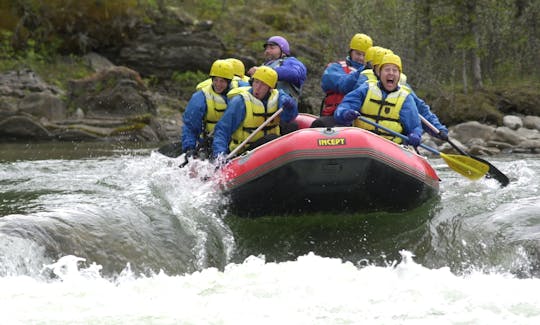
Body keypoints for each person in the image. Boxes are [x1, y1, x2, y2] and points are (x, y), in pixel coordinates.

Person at [334, 53, 423, 147]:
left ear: (399, 75)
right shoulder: (366, 89)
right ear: (379, 73)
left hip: (391, 146)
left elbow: (415, 126)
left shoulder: (405, 98)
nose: (391, 73)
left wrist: (415, 135)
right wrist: (345, 113)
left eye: (395, 70)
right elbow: (344, 107)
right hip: (362, 142)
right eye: (387, 69)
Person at [212, 66, 298, 159]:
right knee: (271, 139)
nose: (257, 87)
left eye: (263, 84)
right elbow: (223, 130)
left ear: (270, 89)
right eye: (256, 82)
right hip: (244, 152)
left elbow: (288, 118)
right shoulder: (240, 101)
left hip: (269, 146)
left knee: (292, 126)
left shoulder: (279, 96)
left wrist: (290, 109)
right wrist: (219, 155)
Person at [312, 33, 373, 128]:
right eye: (358, 53)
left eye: (364, 55)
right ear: (351, 52)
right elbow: (343, 85)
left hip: (361, 120)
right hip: (335, 116)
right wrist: (360, 72)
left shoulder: (374, 73)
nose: (361, 58)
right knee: (319, 124)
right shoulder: (334, 68)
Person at [181, 59, 235, 158]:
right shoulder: (200, 98)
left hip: (234, 142)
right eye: (215, 80)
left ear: (229, 82)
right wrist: (190, 148)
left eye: (222, 81)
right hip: (211, 142)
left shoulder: (238, 95)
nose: (218, 84)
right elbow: (190, 126)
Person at [247, 36, 307, 102]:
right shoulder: (264, 65)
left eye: (272, 48)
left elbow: (294, 73)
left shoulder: (291, 61)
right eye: (266, 49)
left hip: (283, 107)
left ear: (283, 51)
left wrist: (263, 73)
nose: (267, 51)